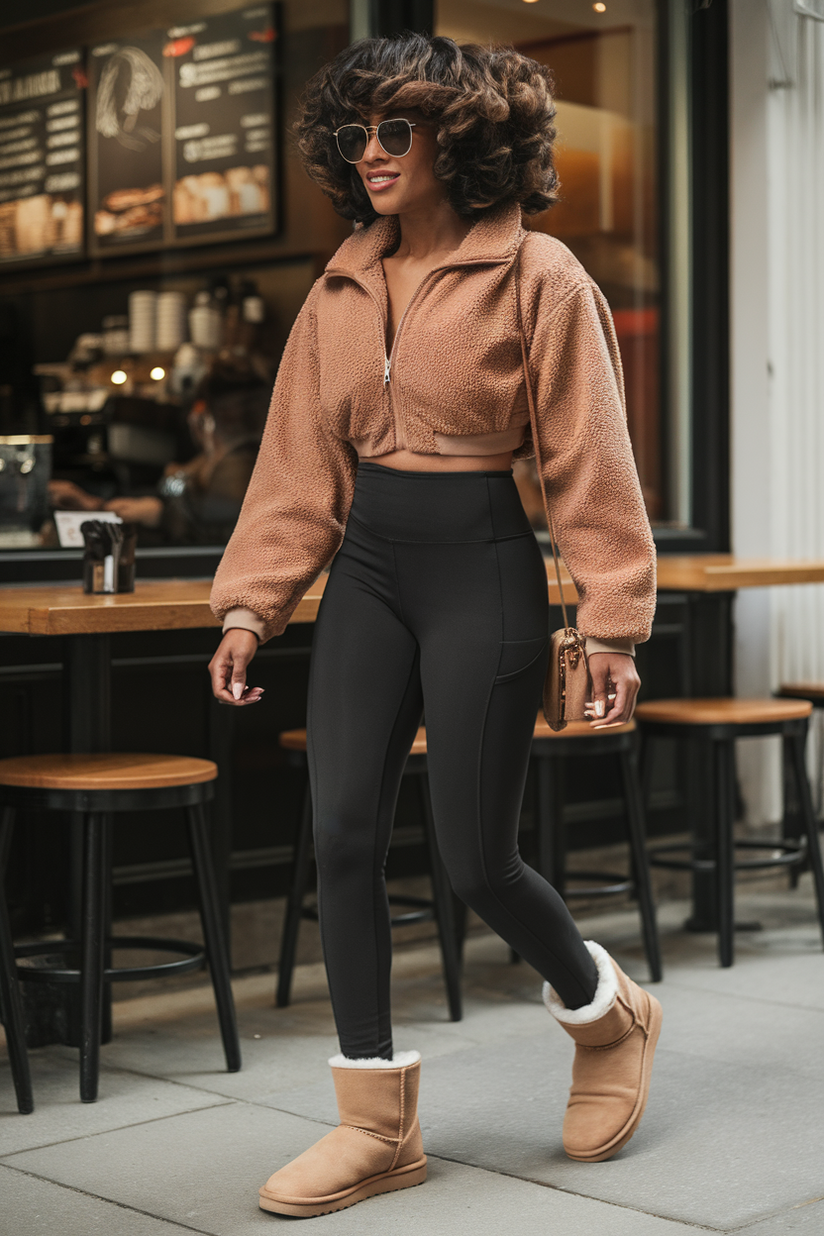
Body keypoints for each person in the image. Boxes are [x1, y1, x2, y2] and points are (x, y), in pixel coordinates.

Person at [208, 34, 661, 1219]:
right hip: (366, 573)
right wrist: (252, 604)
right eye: (355, 133)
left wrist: (610, 623)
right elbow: (297, 463)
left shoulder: (539, 274)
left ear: (461, 137)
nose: (369, 154)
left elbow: (588, 462)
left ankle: (606, 1015)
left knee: (474, 858)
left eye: (395, 131)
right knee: (343, 834)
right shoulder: (340, 283)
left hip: (482, 574)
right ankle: (373, 1121)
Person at [49, 361, 268, 545]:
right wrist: (97, 505)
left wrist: (162, 516)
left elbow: (224, 534)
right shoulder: (211, 462)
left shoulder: (238, 466)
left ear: (202, 415)